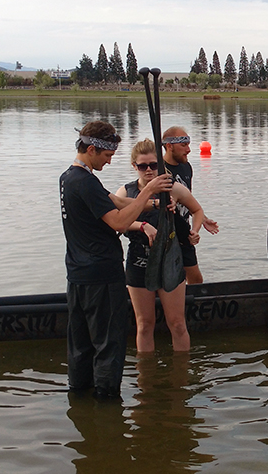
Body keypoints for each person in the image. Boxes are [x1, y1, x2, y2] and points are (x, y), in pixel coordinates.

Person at [60, 121, 172, 399]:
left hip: (77, 275)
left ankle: (79, 396)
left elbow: (116, 202)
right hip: (101, 275)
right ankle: (108, 401)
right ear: (92, 148)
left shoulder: (70, 178)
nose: (110, 162)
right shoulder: (85, 182)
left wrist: (155, 203)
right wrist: (147, 191)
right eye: (108, 156)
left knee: (81, 343)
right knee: (108, 344)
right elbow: (120, 222)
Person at [117, 139, 219, 353]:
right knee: (144, 324)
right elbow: (116, 220)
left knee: (178, 323)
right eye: (142, 166)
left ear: (160, 166)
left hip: (170, 260)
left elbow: (197, 210)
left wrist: (195, 231)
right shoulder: (125, 192)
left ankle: (180, 379)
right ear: (134, 166)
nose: (148, 171)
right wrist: (142, 225)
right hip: (139, 259)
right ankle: (146, 378)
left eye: (153, 165)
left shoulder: (174, 189)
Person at [161, 126, 218, 285]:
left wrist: (201, 220)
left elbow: (188, 200)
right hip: (168, 233)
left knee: (195, 280)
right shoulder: (159, 170)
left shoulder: (186, 167)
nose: (189, 150)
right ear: (169, 146)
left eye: (189, 144)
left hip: (184, 232)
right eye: (183, 145)